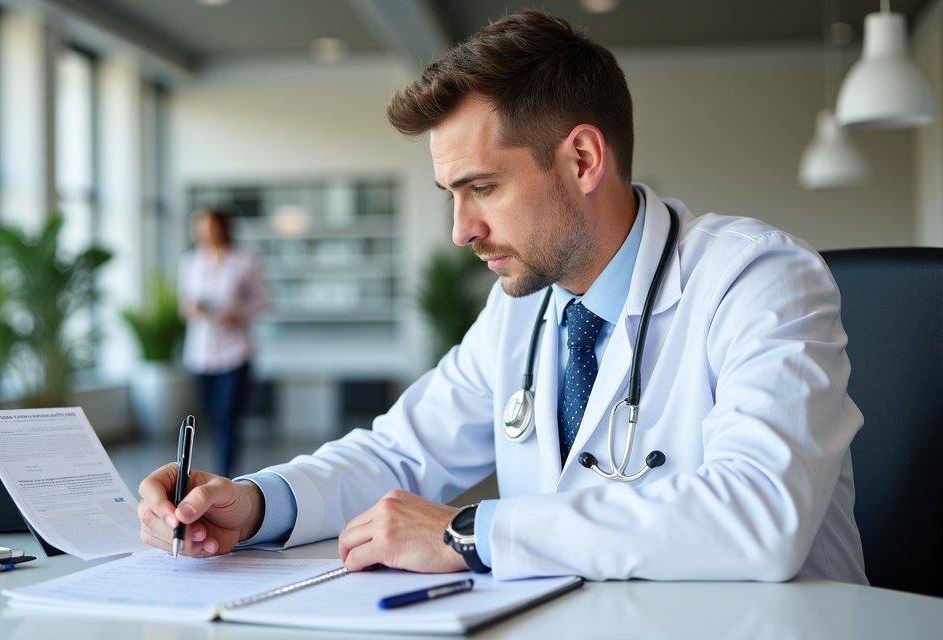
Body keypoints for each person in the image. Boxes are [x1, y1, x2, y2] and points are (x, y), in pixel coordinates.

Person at [139, 10, 866, 585]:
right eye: (451, 195)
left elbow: (760, 515)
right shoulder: (524, 306)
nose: (461, 230)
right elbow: (398, 455)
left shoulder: (760, 279)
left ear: (582, 159)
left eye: (482, 188)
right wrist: (256, 503)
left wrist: (471, 532)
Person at [178, 207, 269, 478]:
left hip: (234, 352)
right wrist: (190, 309)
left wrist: (238, 315)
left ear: (223, 227)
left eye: (209, 226)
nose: (204, 232)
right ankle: (212, 472)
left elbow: (262, 301)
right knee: (211, 416)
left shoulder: (243, 261)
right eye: (200, 226)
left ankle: (226, 475)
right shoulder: (190, 262)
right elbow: (183, 304)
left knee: (228, 416)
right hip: (200, 353)